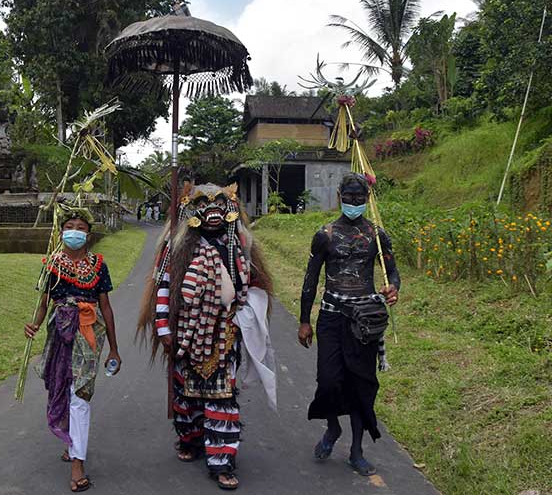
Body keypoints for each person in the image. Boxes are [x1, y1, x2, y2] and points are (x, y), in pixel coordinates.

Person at [138, 183, 276, 490]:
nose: (212, 212)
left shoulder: (240, 245)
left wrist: (244, 315)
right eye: (204, 204)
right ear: (191, 210)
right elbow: (164, 286)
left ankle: (222, 460)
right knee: (186, 392)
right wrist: (164, 329)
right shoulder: (177, 246)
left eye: (220, 205)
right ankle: (189, 438)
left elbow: (253, 287)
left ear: (230, 209)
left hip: (224, 332)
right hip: (185, 331)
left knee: (222, 394)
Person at [298, 173, 400, 476]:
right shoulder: (325, 234)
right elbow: (310, 279)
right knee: (329, 380)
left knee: (361, 385)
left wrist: (393, 289)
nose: (354, 202)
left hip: (364, 320)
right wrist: (305, 320)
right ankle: (332, 428)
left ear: (367, 199)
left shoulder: (378, 237)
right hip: (331, 316)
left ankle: (357, 451)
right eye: (349, 196)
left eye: (360, 197)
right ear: (339, 197)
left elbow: (392, 273)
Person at [25, 207, 121, 492]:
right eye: (70, 225)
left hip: (89, 333)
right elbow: (43, 303)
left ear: (88, 234)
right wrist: (34, 324)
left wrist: (114, 349)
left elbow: (106, 306)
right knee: (59, 384)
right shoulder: (51, 264)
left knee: (80, 394)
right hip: (59, 331)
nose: (75, 231)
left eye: (81, 227)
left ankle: (78, 463)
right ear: (61, 230)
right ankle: (70, 439)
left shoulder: (98, 265)